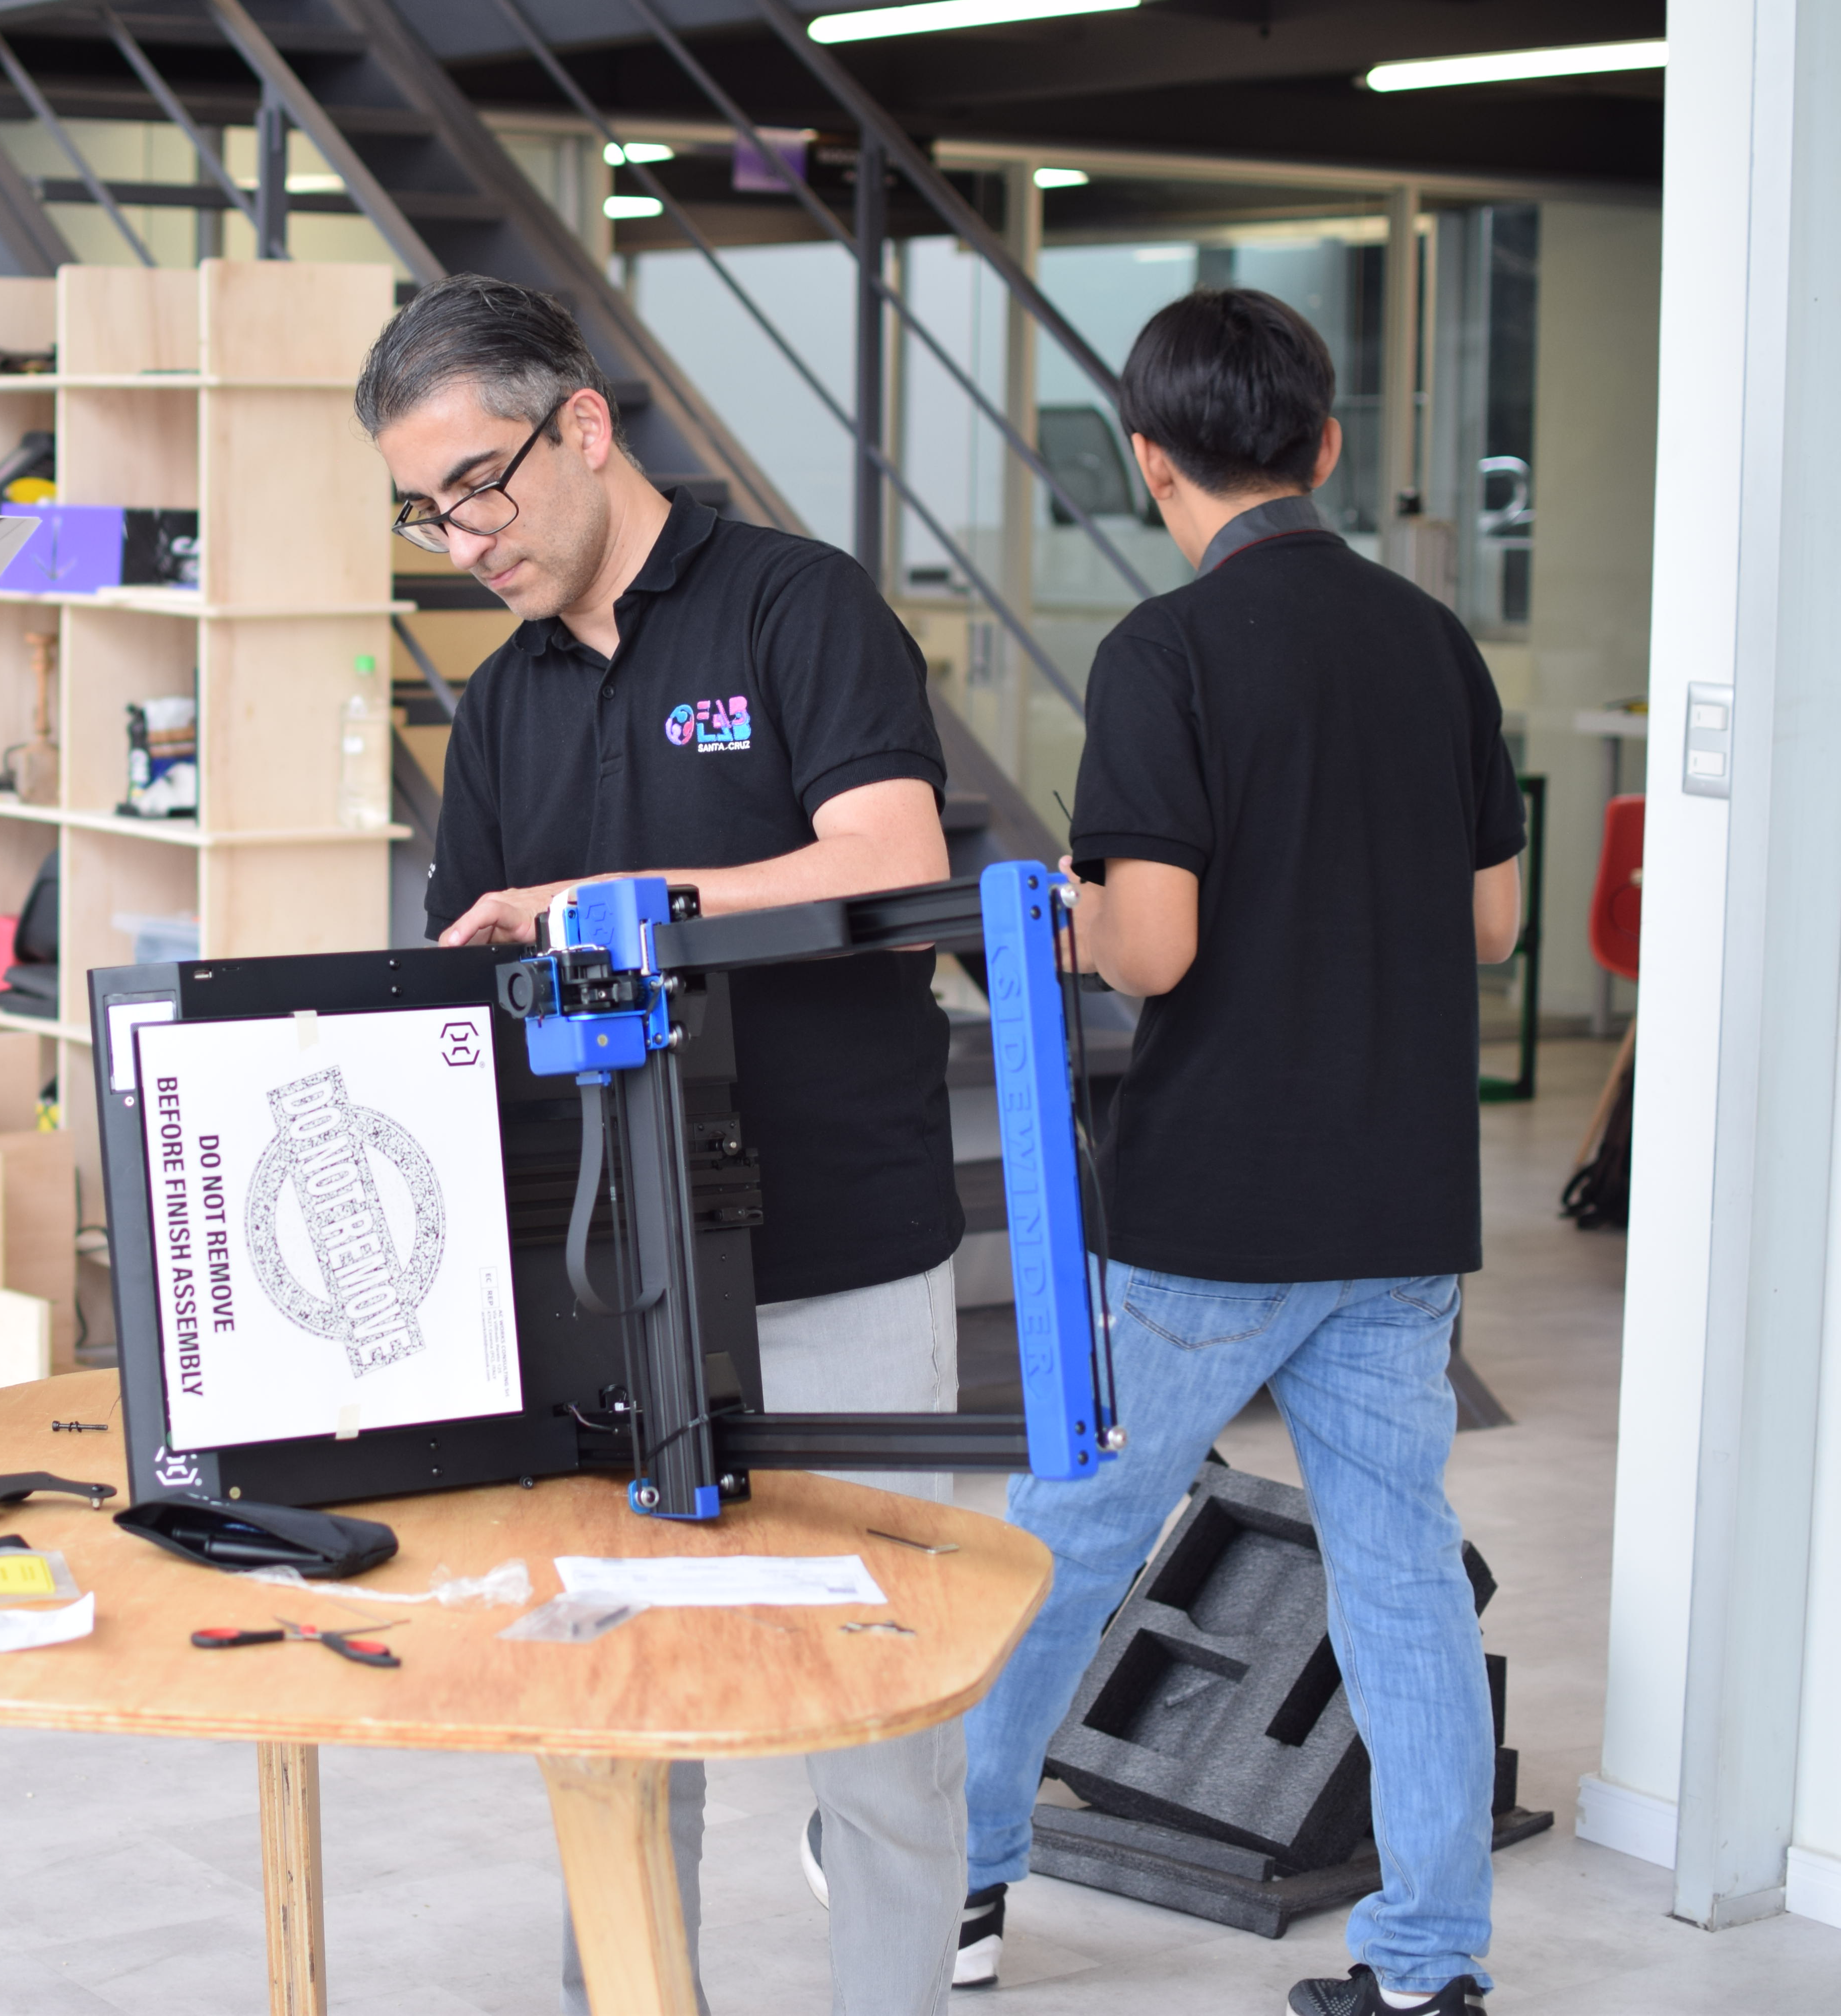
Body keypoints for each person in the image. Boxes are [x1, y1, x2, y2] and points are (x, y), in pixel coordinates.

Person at [360, 273, 971, 2015]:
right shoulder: (502, 706)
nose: (462, 533)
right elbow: (466, 988)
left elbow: (885, 862)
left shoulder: (796, 607)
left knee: (874, 1716)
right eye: (424, 506)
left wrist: (611, 905)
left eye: (482, 482)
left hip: (841, 1250)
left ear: (585, 426)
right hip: (611, 1288)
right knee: (619, 1713)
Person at [955, 289, 1523, 2016]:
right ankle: (1430, 1969)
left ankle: (961, 1885)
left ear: (1148, 463)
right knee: (1402, 1571)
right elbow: (1492, 927)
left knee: (1059, 1545)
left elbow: (1157, 951)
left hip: (1219, 1210)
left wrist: (1072, 923)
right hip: (1404, 1196)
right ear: (1326, 448)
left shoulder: (1165, 655)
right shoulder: (1432, 643)